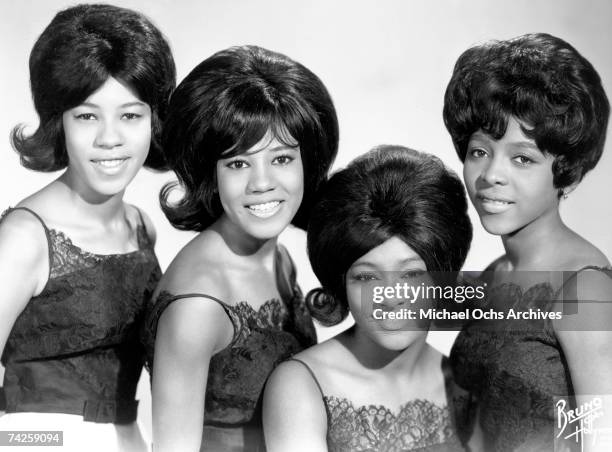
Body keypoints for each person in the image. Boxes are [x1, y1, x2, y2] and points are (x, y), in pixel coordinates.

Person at [142, 45, 339, 452]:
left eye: (282, 158)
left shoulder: (278, 258)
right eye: (238, 164)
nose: (261, 183)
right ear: (209, 174)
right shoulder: (196, 306)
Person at [0, 4, 175, 451]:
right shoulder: (24, 237)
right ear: (59, 120)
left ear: (154, 120)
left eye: (130, 115)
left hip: (130, 438)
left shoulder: (141, 228)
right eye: (87, 115)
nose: (109, 138)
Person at [443, 33, 612, 452]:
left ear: (568, 173)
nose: (491, 175)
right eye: (480, 151)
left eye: (523, 158)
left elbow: (602, 441)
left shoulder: (586, 289)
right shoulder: (491, 278)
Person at [263, 146, 472, 452]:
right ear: (342, 284)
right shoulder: (300, 386)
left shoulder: (467, 381)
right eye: (366, 277)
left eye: (410, 275)